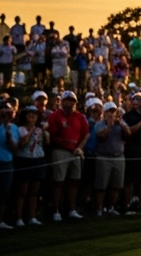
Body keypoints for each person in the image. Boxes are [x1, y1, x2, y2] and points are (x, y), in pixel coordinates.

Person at [48, 90, 90, 221]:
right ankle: (56, 210)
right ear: (62, 102)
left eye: (72, 101)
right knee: (58, 183)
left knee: (74, 182)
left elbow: (86, 134)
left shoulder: (80, 117)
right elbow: (52, 134)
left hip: (75, 152)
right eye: (66, 100)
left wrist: (80, 148)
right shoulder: (55, 116)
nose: (69, 103)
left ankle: (71, 209)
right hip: (60, 151)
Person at [13, 105, 48, 227]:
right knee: (22, 191)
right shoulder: (20, 129)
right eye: (30, 114)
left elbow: (46, 143)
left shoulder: (40, 129)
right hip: (24, 160)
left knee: (34, 191)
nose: (32, 116)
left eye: (34, 114)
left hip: (38, 160)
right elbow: (23, 143)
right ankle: (19, 217)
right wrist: (32, 130)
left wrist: (45, 132)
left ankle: (31, 216)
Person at [94, 101, 128, 216]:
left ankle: (111, 207)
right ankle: (99, 208)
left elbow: (129, 134)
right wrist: (109, 126)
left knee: (116, 185)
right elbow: (100, 136)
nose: (111, 114)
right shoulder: (100, 124)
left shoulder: (120, 123)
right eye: (109, 112)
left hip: (118, 157)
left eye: (113, 111)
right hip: (104, 158)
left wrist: (122, 124)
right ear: (105, 113)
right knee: (101, 186)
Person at [0, 102, 16, 228]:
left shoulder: (14, 128)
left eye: (8, 110)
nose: (5, 112)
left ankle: (1, 221)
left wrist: (9, 137)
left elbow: (15, 148)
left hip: (7, 163)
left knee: (4, 194)